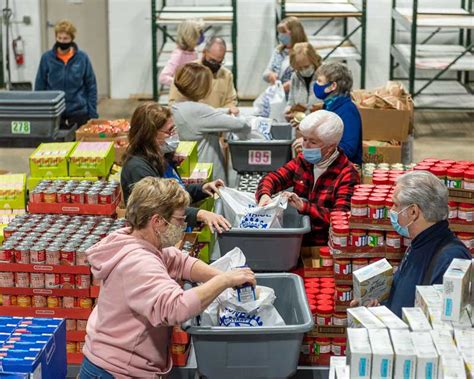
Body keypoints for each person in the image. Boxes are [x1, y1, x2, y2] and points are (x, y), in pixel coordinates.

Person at [80, 177, 256, 378]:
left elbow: (179, 261)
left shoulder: (137, 240)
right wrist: (225, 281)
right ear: (157, 222)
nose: (184, 224)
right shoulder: (139, 263)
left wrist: (224, 275)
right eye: (179, 219)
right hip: (115, 370)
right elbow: (176, 308)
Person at [121, 102, 231, 233]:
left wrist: (201, 188)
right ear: (149, 135)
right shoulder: (138, 169)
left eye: (174, 129)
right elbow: (160, 207)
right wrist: (199, 214)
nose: (174, 135)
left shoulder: (162, 157)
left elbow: (175, 193)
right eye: (169, 131)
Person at [256, 110, 359, 246]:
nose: (305, 145)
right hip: (297, 241)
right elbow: (274, 178)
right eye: (304, 139)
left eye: (313, 142)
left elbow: (341, 218)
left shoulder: (347, 174)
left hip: (324, 247)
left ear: (330, 147)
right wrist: (264, 194)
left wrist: (304, 206)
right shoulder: (303, 161)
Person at [381, 171, 469, 317]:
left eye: (395, 205)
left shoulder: (450, 259)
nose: (392, 211)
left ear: (413, 211)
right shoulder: (418, 243)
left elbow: (441, 324)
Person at [172, 63, 250, 182]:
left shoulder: (176, 107)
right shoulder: (198, 110)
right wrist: (249, 121)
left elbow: (204, 117)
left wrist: (225, 110)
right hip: (207, 175)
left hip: (188, 170)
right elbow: (239, 124)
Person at [35, 19, 98, 129]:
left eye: (65, 38)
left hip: (79, 112)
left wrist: (92, 112)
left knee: (79, 145)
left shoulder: (82, 58)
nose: (62, 41)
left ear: (72, 39)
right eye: (59, 38)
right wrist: (40, 112)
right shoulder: (47, 58)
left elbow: (91, 86)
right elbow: (40, 85)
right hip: (54, 112)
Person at [169, 37, 238, 115]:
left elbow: (230, 101)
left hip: (217, 122)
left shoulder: (226, 75)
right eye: (212, 61)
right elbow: (173, 102)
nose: (215, 65)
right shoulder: (187, 71)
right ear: (204, 52)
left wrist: (227, 110)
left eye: (220, 62)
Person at [263, 17, 308, 94]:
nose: (280, 35)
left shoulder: (305, 52)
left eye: (284, 32)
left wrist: (291, 84)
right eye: (279, 32)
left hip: (297, 99)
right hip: (278, 98)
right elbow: (266, 72)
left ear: (295, 33)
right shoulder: (278, 51)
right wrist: (270, 75)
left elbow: (308, 77)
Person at [159, 19, 204, 87]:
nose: (201, 36)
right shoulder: (178, 55)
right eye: (199, 33)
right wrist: (181, 84)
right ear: (190, 36)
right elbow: (163, 77)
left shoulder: (193, 52)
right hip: (180, 96)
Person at [284, 42, 322, 121]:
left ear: (314, 60)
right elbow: (291, 102)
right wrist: (288, 111)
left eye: (306, 66)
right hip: (300, 125)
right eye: (299, 68)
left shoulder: (327, 75)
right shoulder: (295, 76)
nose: (303, 70)